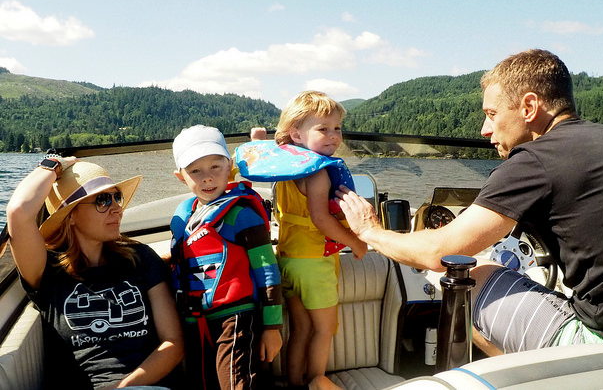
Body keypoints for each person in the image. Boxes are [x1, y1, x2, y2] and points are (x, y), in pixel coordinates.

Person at [336, 49, 603, 356]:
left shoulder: (536, 160)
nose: (484, 129)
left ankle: (525, 378)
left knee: (466, 276)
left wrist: (370, 231)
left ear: (529, 107)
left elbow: (438, 253)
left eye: (492, 114)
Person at [6, 156, 184, 389]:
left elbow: (173, 343)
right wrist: (53, 165)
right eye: (102, 200)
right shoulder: (49, 271)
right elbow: (18, 213)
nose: (117, 208)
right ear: (71, 217)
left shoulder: (141, 258)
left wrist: (124, 387)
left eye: (116, 197)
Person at [169, 125, 283, 390]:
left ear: (230, 166)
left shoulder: (242, 215)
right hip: (195, 319)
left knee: (234, 384)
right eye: (195, 171)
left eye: (215, 167)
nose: (207, 178)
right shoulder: (184, 217)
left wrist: (272, 328)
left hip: (236, 318)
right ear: (180, 176)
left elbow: (267, 271)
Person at [273, 91, 367, 387]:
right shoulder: (317, 173)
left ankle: (295, 384)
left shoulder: (285, 167)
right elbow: (321, 219)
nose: (333, 136)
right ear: (296, 134)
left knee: (300, 329)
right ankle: (316, 381)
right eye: (322, 129)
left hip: (287, 259)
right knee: (324, 330)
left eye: (337, 128)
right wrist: (356, 242)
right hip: (313, 262)